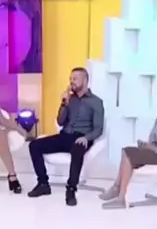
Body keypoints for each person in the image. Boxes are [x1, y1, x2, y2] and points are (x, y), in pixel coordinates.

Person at [27, 67, 104, 206]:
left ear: (85, 80)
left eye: (75, 79)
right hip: (65, 135)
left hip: (82, 137)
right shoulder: (70, 99)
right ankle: (43, 184)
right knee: (34, 145)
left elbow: (98, 128)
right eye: (70, 79)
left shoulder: (96, 102)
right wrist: (64, 103)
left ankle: (71, 189)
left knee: (77, 148)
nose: (71, 81)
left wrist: (86, 138)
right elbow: (60, 121)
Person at [100, 91, 157, 209]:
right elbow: (152, 137)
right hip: (154, 152)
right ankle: (117, 191)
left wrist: (156, 149)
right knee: (126, 151)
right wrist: (147, 145)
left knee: (128, 153)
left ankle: (119, 195)